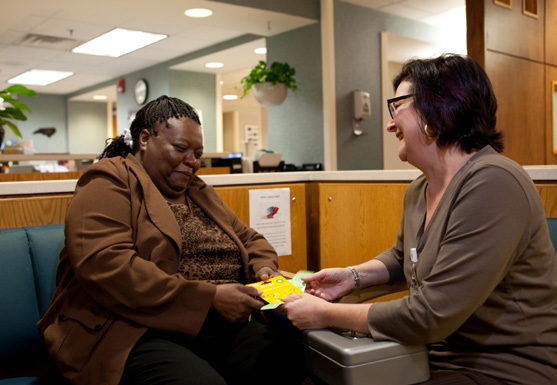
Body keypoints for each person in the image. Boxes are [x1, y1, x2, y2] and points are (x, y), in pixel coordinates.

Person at [281, 54, 557, 385]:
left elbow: (431, 315)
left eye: (397, 105)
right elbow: (403, 258)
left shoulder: (494, 182)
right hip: (432, 357)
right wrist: (353, 278)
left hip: (505, 369)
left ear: (438, 107)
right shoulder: (419, 189)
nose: (389, 123)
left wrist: (325, 314)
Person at [37, 95, 308, 385]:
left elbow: (250, 239)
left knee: (289, 361)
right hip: (134, 329)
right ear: (144, 139)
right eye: (180, 148)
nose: (192, 162)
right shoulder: (108, 180)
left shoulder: (198, 191)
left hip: (218, 326)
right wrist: (210, 299)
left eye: (198, 153)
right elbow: (106, 264)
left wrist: (264, 269)